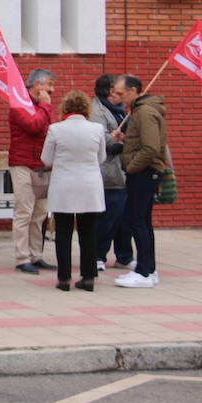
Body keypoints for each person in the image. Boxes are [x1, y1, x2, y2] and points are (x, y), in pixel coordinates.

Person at [41, 91, 106, 292]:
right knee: (89, 233)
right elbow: (101, 158)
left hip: (64, 186)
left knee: (63, 233)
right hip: (89, 185)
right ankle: (88, 278)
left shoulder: (55, 129)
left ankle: (64, 278)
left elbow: (46, 159)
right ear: (87, 109)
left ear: (65, 108)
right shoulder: (97, 129)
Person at [111, 74, 166, 288]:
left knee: (137, 220)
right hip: (145, 171)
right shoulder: (140, 111)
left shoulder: (144, 112)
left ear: (133, 90)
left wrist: (132, 166)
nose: (116, 96)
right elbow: (143, 142)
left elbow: (151, 148)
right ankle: (148, 269)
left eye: (120, 92)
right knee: (141, 220)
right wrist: (126, 140)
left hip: (144, 172)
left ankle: (144, 272)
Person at [10, 68, 57, 274]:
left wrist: (46, 107)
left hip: (42, 167)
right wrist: (45, 106)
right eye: (49, 85)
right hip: (23, 165)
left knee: (40, 213)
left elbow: (53, 128)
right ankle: (22, 257)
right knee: (24, 212)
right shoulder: (19, 104)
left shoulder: (44, 107)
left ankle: (36, 254)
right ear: (38, 85)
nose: (52, 90)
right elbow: (34, 126)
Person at [89, 74, 133, 270]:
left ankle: (125, 256)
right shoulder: (97, 111)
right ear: (108, 92)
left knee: (125, 217)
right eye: (117, 91)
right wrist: (120, 141)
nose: (121, 95)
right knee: (108, 217)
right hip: (108, 172)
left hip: (124, 171)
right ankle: (98, 255)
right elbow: (102, 140)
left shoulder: (123, 110)